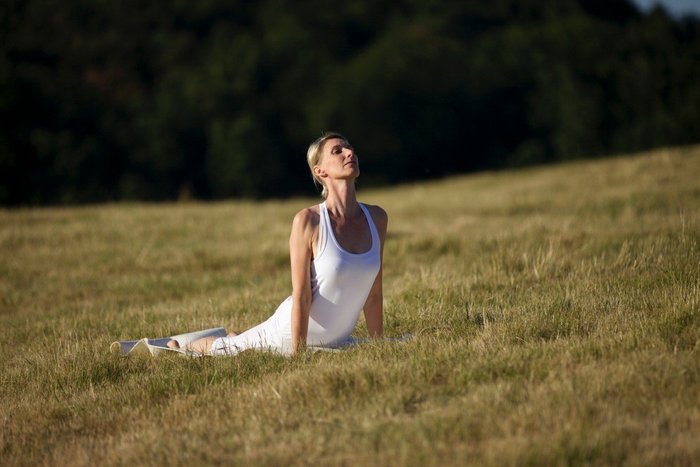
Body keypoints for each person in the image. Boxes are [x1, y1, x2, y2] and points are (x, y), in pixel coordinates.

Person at [168, 132, 388, 355]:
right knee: (227, 349)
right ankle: (179, 349)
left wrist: (379, 350)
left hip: (337, 339)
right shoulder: (309, 221)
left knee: (242, 341)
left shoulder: (377, 218)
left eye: (349, 148)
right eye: (337, 151)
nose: (350, 153)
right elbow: (302, 296)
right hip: (287, 334)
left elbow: (374, 295)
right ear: (319, 171)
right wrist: (298, 356)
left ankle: (240, 337)